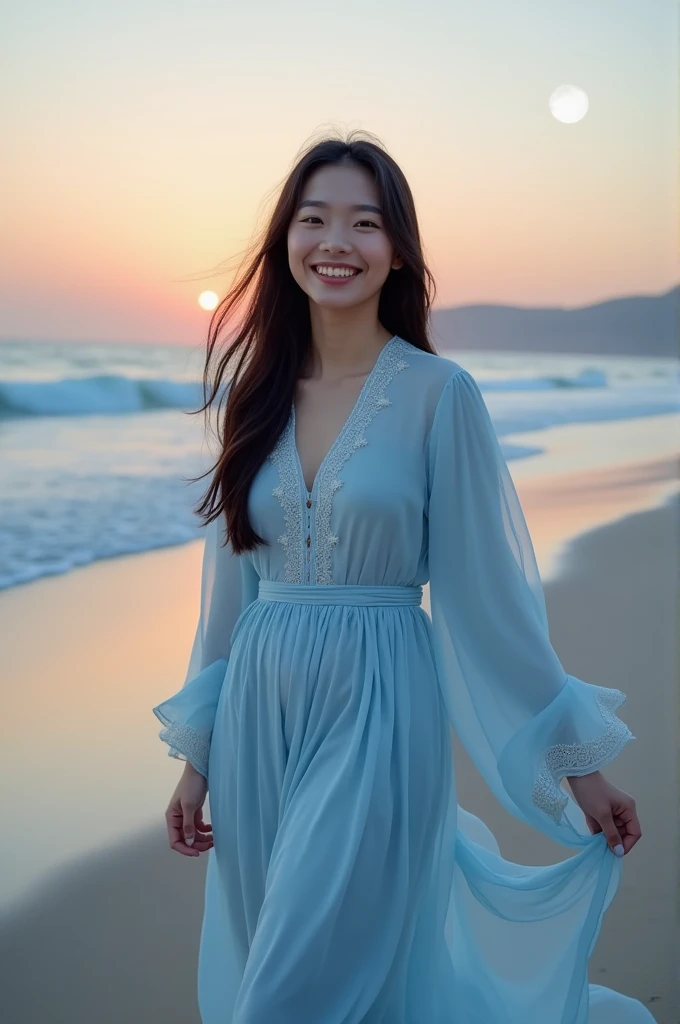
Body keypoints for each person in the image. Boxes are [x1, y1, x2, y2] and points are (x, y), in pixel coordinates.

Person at [152, 130, 652, 1024]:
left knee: (291, 995)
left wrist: (583, 768)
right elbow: (227, 602)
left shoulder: (439, 393)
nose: (335, 242)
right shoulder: (255, 397)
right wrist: (198, 763)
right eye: (313, 220)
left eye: (364, 223)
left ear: (397, 250)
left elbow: (491, 607)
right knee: (324, 970)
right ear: (285, 242)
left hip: (380, 708)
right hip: (259, 720)